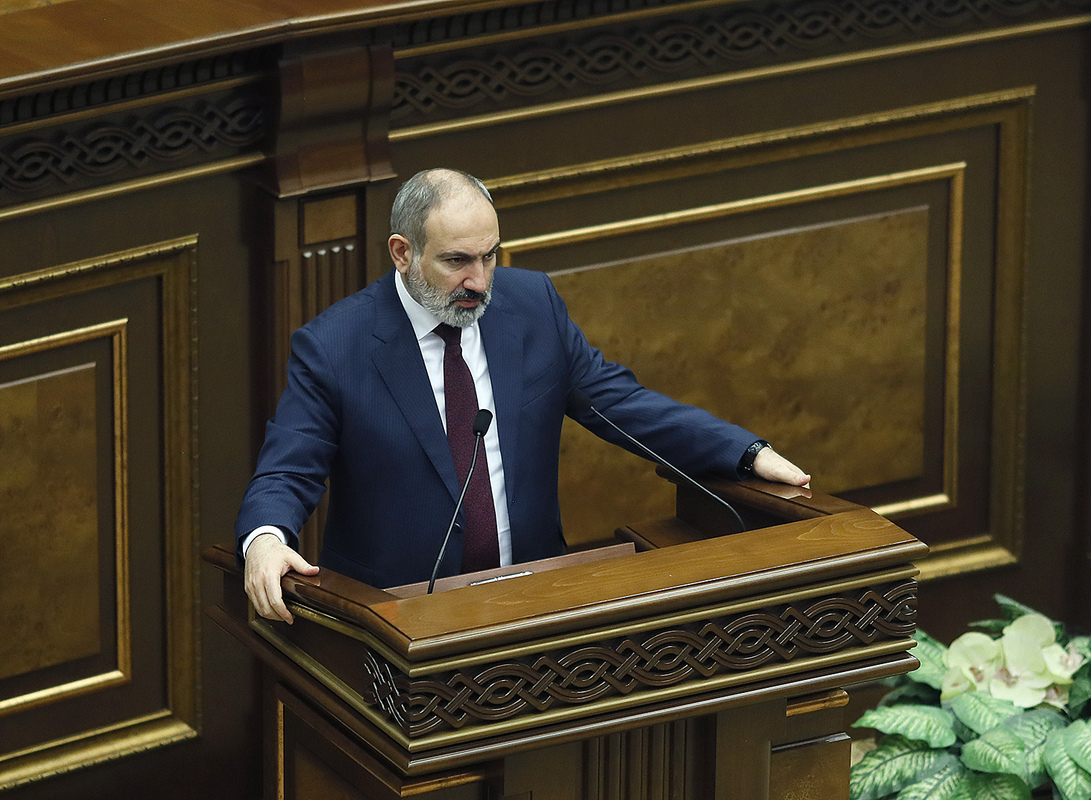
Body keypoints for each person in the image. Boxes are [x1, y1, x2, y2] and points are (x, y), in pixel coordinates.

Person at [237, 168, 810, 623]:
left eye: (489, 255)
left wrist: (744, 452)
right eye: (457, 261)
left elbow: (621, 404)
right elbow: (288, 468)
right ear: (403, 253)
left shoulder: (532, 305)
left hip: (533, 608)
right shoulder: (335, 346)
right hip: (396, 623)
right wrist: (264, 539)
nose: (480, 281)